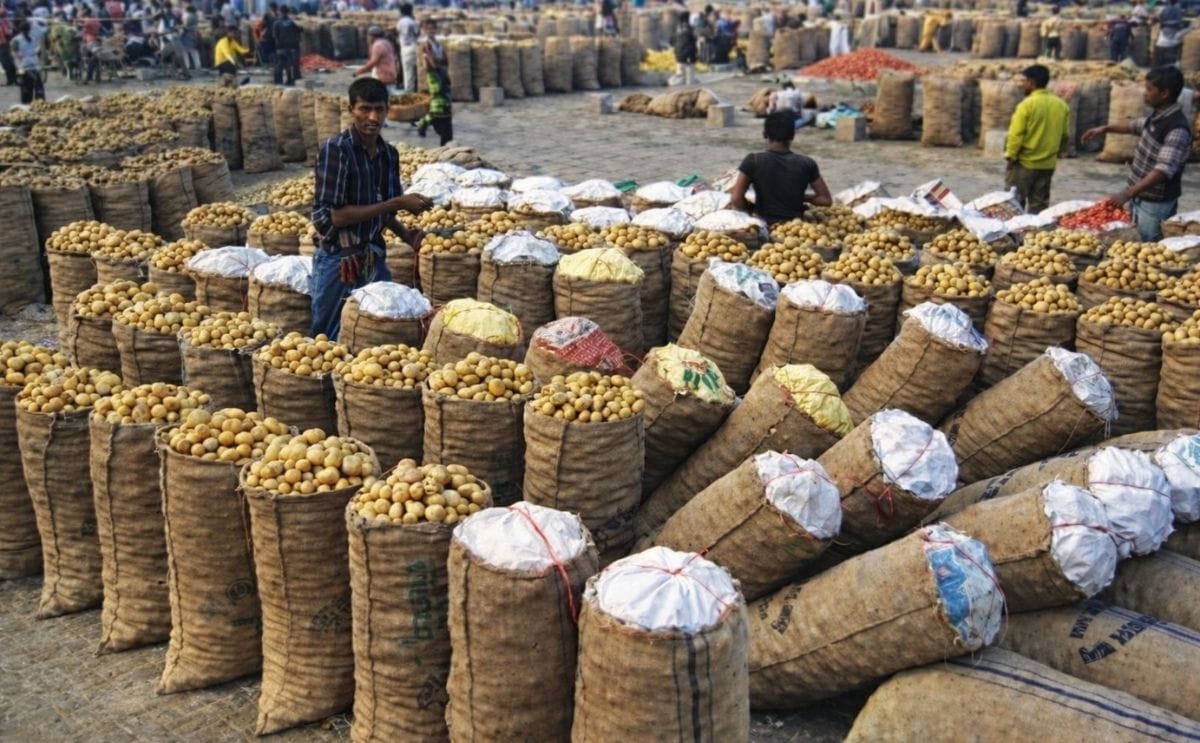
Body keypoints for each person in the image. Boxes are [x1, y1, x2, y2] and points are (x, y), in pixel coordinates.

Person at [311, 77, 431, 339]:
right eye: (365, 109)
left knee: (376, 330)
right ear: (351, 109)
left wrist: (405, 234)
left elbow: (381, 209)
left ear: (388, 110)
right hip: (337, 256)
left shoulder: (389, 155)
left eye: (379, 109)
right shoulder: (336, 151)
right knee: (328, 335)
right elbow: (337, 216)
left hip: (372, 255)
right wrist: (399, 202)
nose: (373, 117)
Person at [1082, 66, 1192, 242]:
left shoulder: (1177, 128)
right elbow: (1135, 125)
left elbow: (1163, 170)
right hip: (1140, 196)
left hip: (1155, 204)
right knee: (1137, 242)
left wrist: (1128, 193)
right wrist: (1106, 128)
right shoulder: (1159, 116)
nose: (1144, 93)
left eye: (1149, 89)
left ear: (1164, 94)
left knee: (1149, 245)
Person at [730, 111, 832, 224]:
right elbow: (826, 200)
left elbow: (736, 199)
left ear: (764, 134)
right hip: (794, 228)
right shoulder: (807, 163)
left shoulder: (753, 160)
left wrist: (751, 208)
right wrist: (802, 197)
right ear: (792, 136)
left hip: (763, 223)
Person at [1004, 65, 1070, 215]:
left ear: (1032, 82)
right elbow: (1065, 136)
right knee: (1039, 206)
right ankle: (1035, 235)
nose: (1023, 84)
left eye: (1024, 81)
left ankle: (1016, 236)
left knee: (1014, 205)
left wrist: (1011, 156)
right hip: (1047, 165)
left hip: (1024, 164)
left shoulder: (1026, 105)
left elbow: (1016, 135)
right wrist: (1055, 153)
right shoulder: (1061, 105)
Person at [415, 18, 452, 145]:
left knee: (442, 103)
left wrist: (437, 62)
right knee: (438, 102)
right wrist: (436, 63)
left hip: (440, 73)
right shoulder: (426, 45)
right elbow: (429, 64)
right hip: (433, 76)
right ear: (424, 30)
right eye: (427, 28)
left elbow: (445, 60)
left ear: (436, 29)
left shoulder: (437, 43)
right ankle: (424, 123)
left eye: (432, 28)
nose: (430, 30)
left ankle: (426, 125)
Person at [11, 19, 43, 103]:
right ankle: (27, 105)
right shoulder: (17, 40)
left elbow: (37, 49)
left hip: (33, 66)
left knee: (38, 89)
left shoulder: (32, 38)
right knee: (26, 89)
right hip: (24, 68)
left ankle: (38, 105)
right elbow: (15, 54)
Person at [1154, 0, 1186, 67]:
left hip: (1162, 40)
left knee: (1159, 62)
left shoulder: (1164, 9)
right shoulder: (1178, 10)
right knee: (1170, 63)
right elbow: (1180, 23)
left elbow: (1160, 20)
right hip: (1173, 41)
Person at [273, 4, 299, 84]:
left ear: (280, 12)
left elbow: (274, 36)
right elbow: (299, 30)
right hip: (291, 47)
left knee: (279, 64)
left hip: (281, 47)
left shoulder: (277, 23)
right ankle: (290, 80)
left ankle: (278, 81)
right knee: (288, 64)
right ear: (288, 12)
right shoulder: (291, 22)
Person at [395, 1, 417, 92]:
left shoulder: (400, 22)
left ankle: (409, 90)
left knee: (407, 70)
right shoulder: (412, 21)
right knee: (415, 69)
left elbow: (398, 32)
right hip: (414, 45)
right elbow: (417, 33)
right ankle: (414, 88)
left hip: (405, 47)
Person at [672, 10, 696, 85]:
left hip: (678, 56)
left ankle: (679, 91)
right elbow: (692, 43)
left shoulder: (676, 29)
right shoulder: (690, 29)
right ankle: (689, 88)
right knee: (690, 79)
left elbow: (671, 41)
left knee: (679, 77)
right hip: (688, 57)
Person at [0, 8, 18, 86]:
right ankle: (12, 80)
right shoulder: (6, 21)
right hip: (4, 43)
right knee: (7, 62)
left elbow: (9, 32)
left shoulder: (4, 22)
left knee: (7, 62)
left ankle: (12, 80)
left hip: (4, 43)